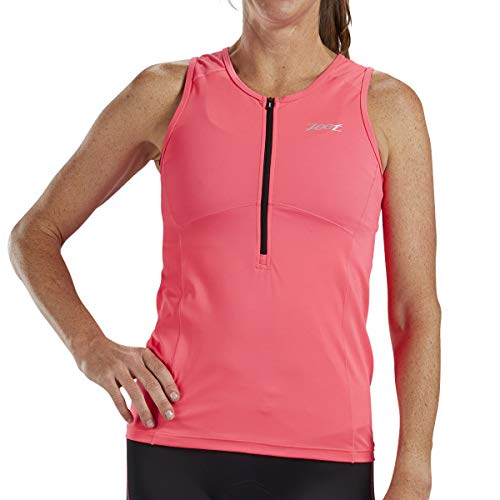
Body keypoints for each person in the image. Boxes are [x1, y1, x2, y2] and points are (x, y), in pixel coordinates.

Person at [8, 0, 441, 499]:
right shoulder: (166, 93)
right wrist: (89, 347)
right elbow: (34, 235)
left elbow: (414, 310)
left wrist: (414, 473)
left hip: (327, 454)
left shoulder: (387, 108)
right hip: (175, 444)